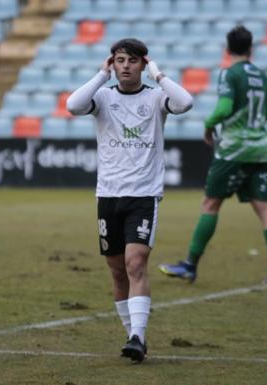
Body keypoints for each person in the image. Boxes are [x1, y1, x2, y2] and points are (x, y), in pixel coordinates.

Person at [66, 38, 193, 363]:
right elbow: (72, 105)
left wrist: (159, 75)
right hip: (108, 195)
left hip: (143, 195)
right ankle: (132, 335)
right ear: (113, 64)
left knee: (135, 263)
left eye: (132, 61)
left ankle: (138, 336)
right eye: (120, 60)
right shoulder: (104, 97)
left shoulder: (155, 97)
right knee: (117, 270)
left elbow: (187, 102)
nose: (125, 66)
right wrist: (99, 75)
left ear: (142, 65)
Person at [158, 26, 267, 285]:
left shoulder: (229, 74)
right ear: (251, 49)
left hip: (234, 150)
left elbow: (224, 108)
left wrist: (209, 124)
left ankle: (190, 265)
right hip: (260, 149)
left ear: (227, 50)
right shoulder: (262, 76)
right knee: (264, 207)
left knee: (210, 204)